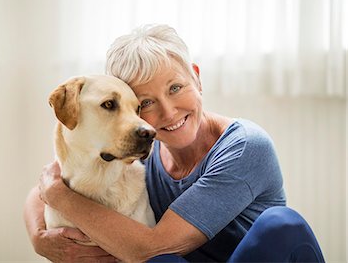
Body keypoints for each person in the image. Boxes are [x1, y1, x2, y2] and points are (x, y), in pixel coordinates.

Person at [24, 24, 325, 262]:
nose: (168, 112)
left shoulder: (245, 147)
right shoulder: (139, 148)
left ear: (197, 78)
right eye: (146, 103)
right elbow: (52, 181)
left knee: (281, 224)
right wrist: (39, 235)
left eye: (176, 87)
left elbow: (149, 247)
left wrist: (58, 198)